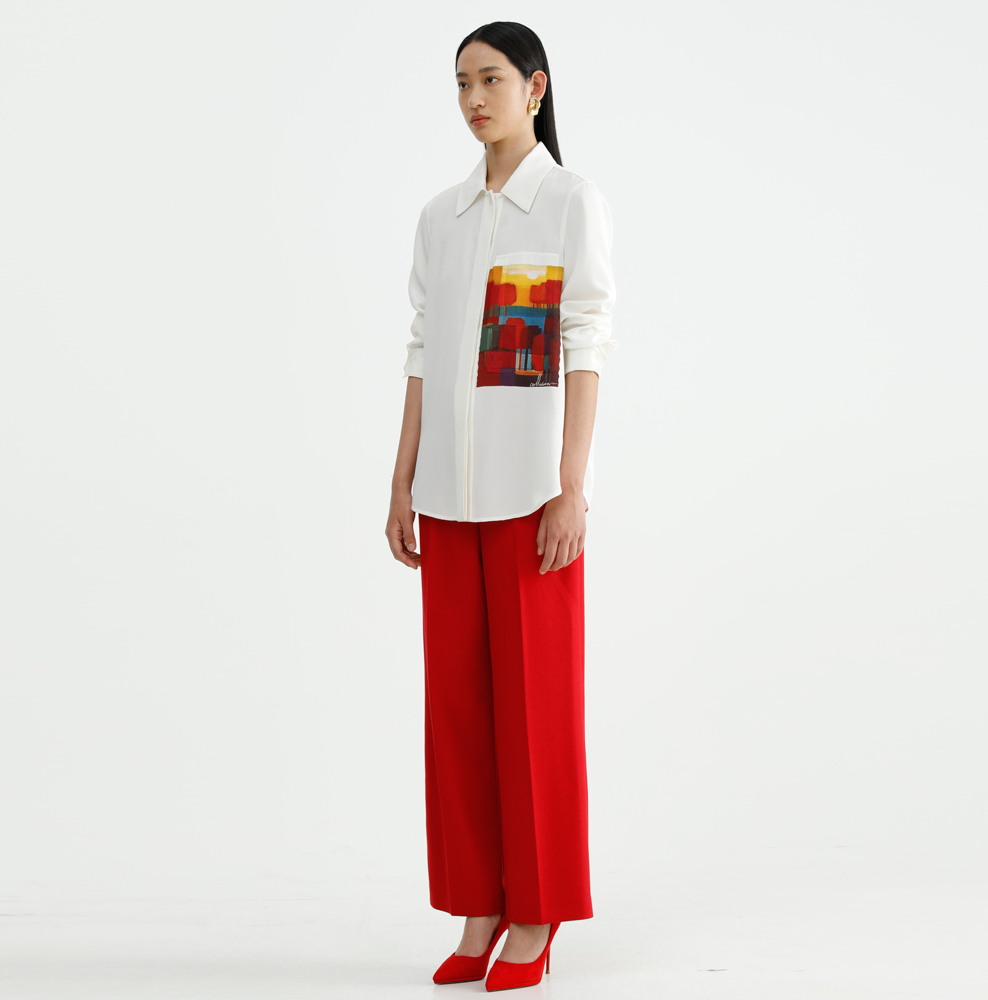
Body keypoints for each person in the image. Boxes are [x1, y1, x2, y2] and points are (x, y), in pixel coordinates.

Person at [385, 20, 617, 992]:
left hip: (530, 501)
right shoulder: (440, 218)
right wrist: (400, 479)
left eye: (490, 79)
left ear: (535, 87)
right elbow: (422, 351)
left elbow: (583, 339)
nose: (473, 98)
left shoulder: (566, 201)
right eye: (460, 84)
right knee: (460, 715)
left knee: (536, 713)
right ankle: (480, 902)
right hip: (446, 501)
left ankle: (536, 912)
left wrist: (572, 485)